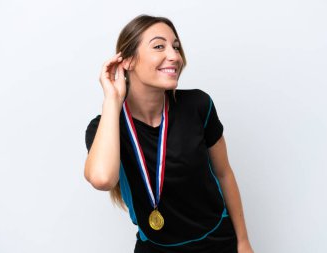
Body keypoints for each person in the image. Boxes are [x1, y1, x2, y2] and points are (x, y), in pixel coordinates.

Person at [84, 14, 254, 253]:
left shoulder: (198, 105)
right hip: (156, 248)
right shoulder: (105, 126)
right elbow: (102, 179)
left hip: (217, 243)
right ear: (129, 60)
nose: (174, 56)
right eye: (159, 46)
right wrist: (112, 99)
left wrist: (243, 241)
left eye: (175, 46)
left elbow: (224, 173)